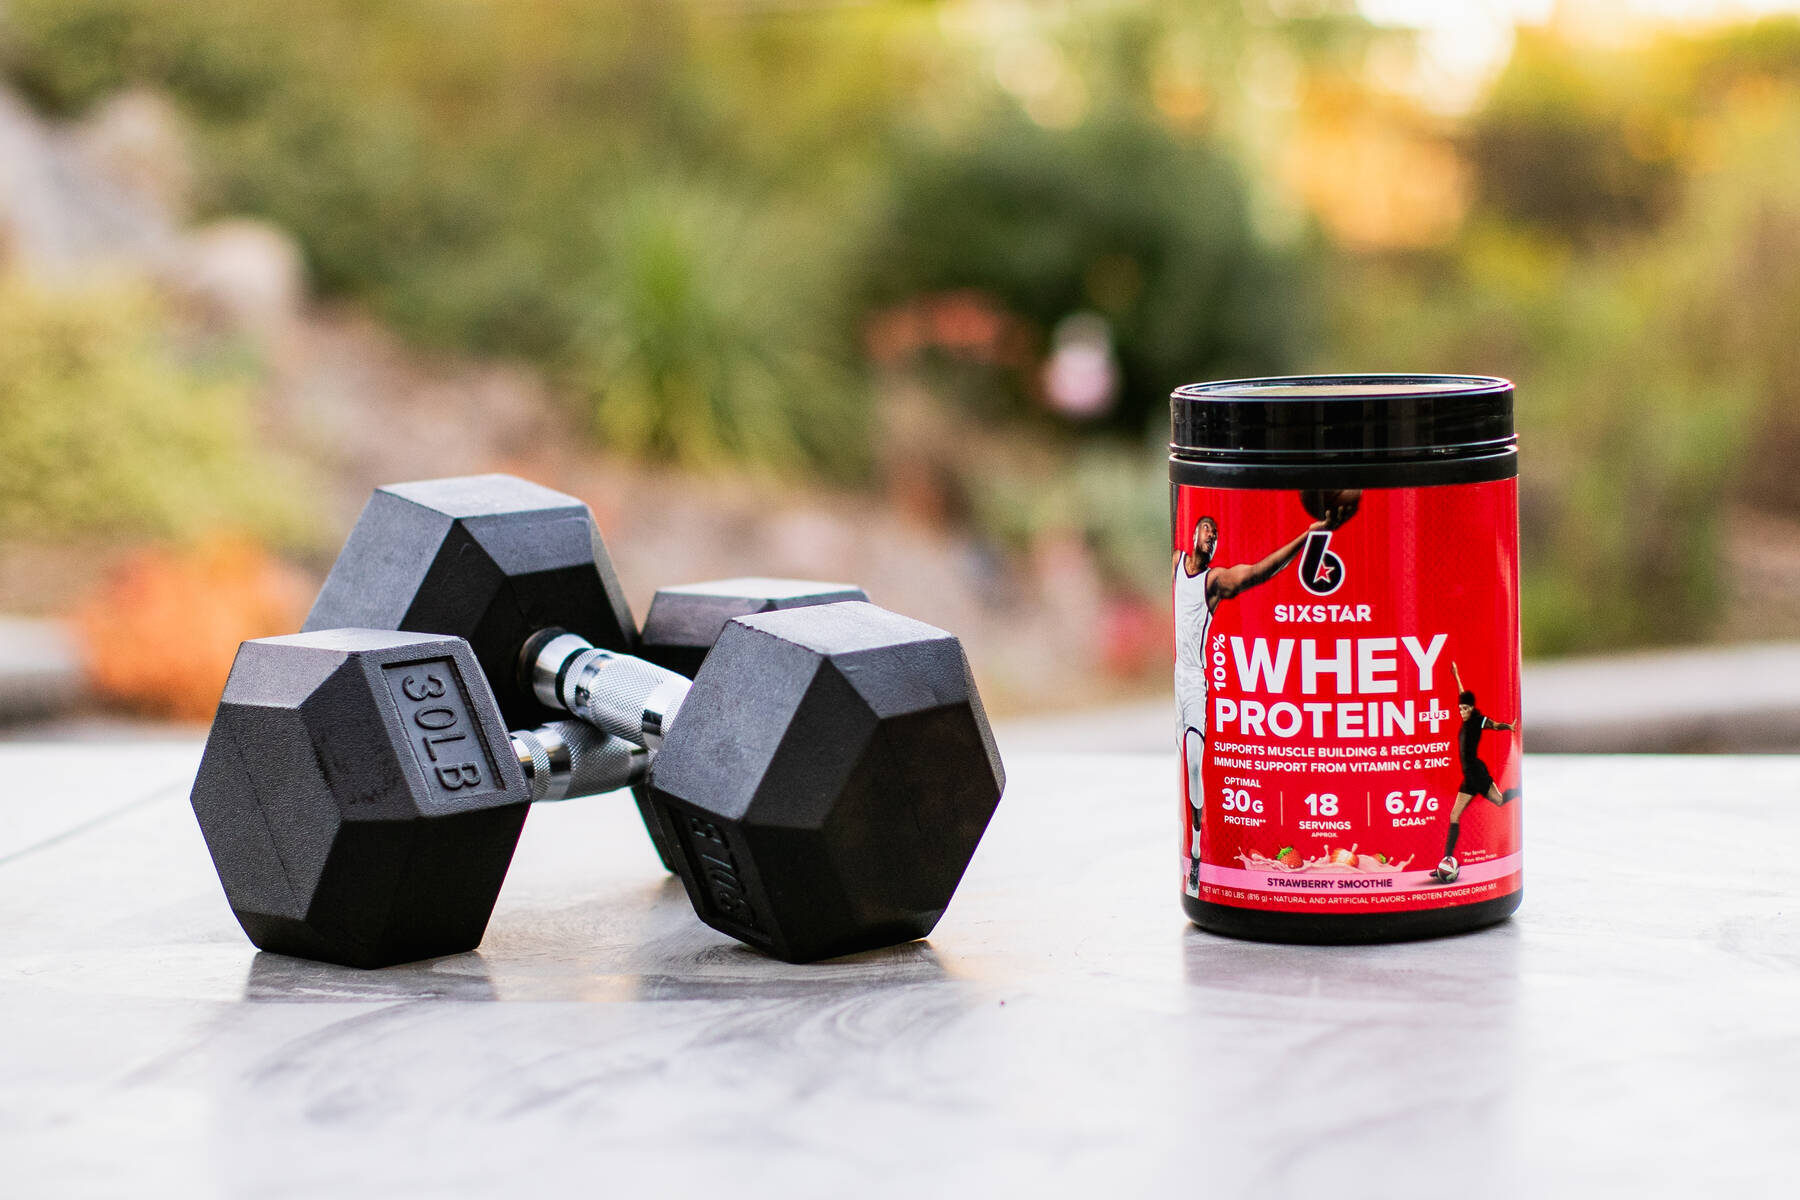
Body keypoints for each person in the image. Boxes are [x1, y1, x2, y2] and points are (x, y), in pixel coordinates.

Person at [1176, 504, 1352, 894]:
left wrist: (1308, 537)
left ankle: (1197, 850)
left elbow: (1258, 572)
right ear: (1192, 535)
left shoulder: (1214, 582)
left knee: (1192, 766)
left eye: (1214, 533)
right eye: (1204, 528)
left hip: (1195, 683)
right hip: (1178, 675)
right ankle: (1196, 858)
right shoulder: (1174, 565)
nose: (1209, 535)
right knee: (1187, 766)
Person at [1432, 661, 1521, 881]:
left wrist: (1507, 726)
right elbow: (1463, 694)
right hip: (1468, 776)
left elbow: (1494, 724)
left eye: (1465, 708)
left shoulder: (1478, 720)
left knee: (1499, 801)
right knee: (1454, 815)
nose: (1461, 711)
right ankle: (1446, 861)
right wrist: (1456, 675)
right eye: (1460, 708)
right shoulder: (1466, 715)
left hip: (1478, 773)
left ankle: (1515, 792)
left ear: (1472, 709)